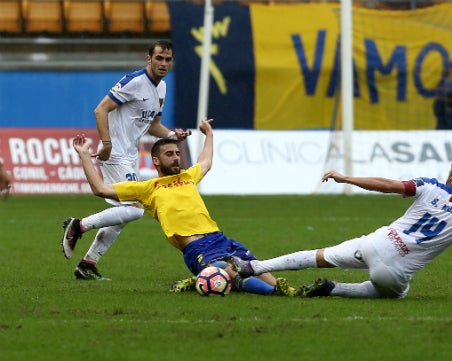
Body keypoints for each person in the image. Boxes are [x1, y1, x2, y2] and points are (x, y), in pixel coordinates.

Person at [69, 118, 295, 297]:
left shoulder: (188, 176)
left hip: (220, 238)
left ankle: (286, 291)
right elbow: (100, 188)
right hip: (197, 249)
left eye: (177, 153)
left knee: (255, 266)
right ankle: (273, 292)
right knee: (228, 272)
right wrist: (84, 156)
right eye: (169, 155)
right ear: (156, 161)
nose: (176, 158)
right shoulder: (146, 188)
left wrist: (209, 135)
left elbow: (205, 163)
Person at [233, 154, 452, 300]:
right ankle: (335, 289)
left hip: (375, 243)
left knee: (317, 256)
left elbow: (388, 185)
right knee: (399, 294)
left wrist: (346, 178)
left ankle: (254, 266)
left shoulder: (429, 186)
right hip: (393, 272)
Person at [61, 40, 191, 280]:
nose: (163, 63)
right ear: (149, 59)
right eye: (159, 58)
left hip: (129, 156)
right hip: (114, 152)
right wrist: (107, 143)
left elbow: (153, 126)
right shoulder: (134, 81)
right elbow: (100, 110)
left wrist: (174, 135)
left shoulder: (161, 88)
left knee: (123, 215)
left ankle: (88, 264)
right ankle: (78, 226)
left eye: (168, 59)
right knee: (135, 209)